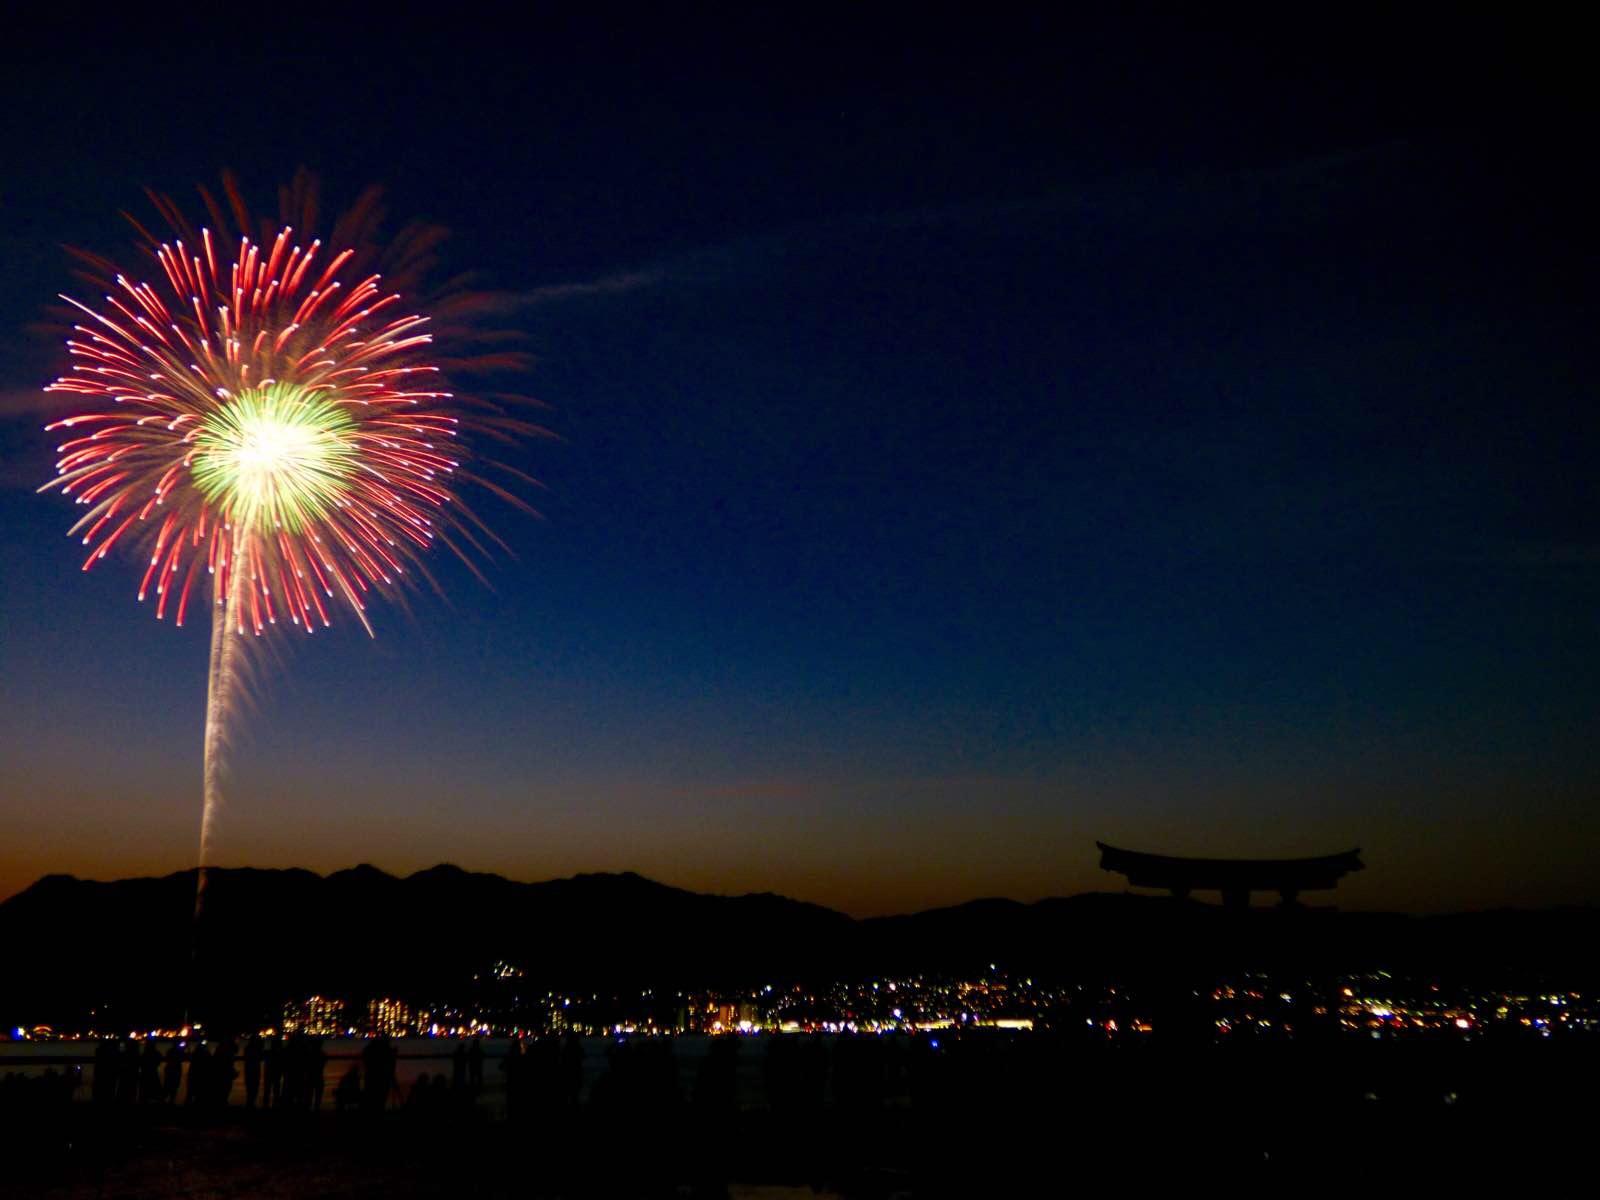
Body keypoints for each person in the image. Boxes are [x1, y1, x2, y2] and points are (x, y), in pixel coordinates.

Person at [242, 1034, 263, 1108]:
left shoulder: (248, 1048)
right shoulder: (257, 1049)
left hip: (249, 1070)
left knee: (250, 1087)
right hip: (255, 1069)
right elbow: (260, 1058)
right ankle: (251, 1102)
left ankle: (249, 1102)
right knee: (254, 1087)